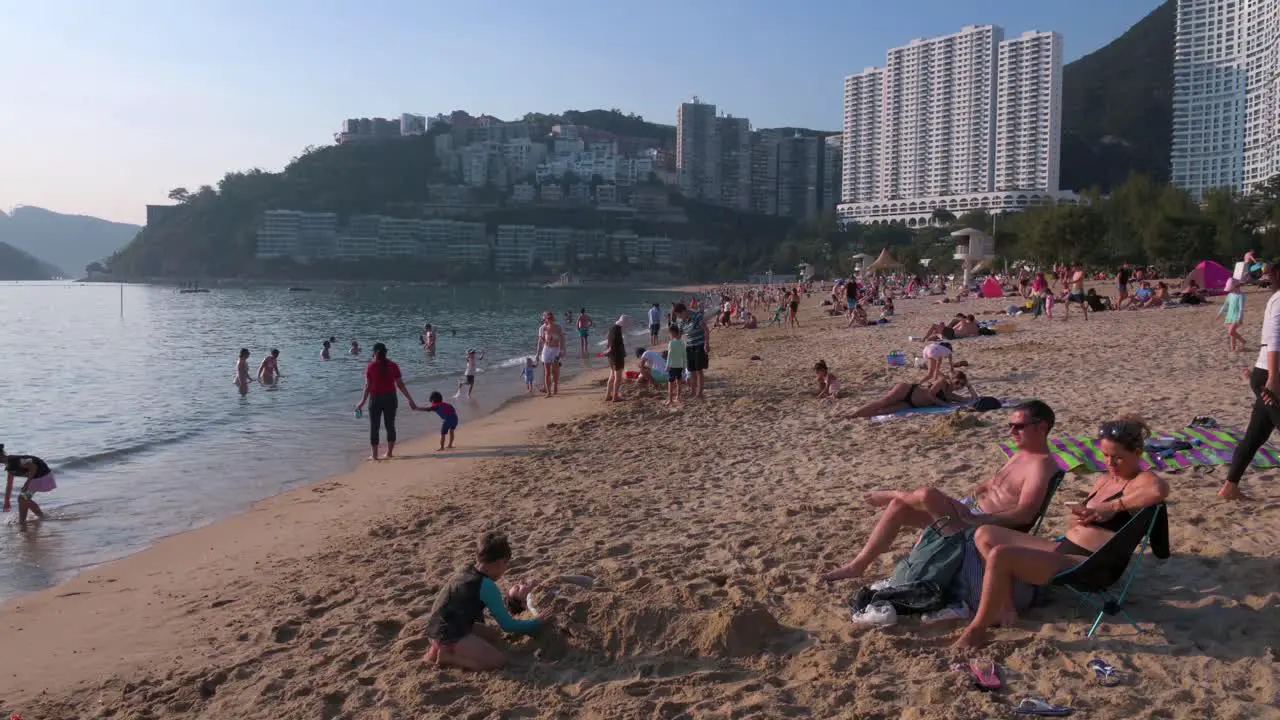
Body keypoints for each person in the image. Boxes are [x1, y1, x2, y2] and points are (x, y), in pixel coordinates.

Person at [953, 416, 1169, 648]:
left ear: (1137, 453)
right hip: (1065, 546)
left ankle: (978, 628)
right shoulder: (1106, 479)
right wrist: (1079, 517)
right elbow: (1087, 519)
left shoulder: (1141, 480)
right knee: (985, 533)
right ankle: (1005, 603)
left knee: (1000, 555)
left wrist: (1113, 506)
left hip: (1089, 564)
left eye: (1118, 457)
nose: (1110, 463)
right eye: (1105, 455)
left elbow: (1160, 490)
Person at [822, 400, 1060, 583]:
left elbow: (1024, 515)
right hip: (970, 514)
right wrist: (972, 497)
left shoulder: (1040, 465)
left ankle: (892, 492)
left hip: (983, 529)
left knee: (926, 493)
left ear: (1041, 427)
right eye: (1010, 426)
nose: (1011, 432)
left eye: (1018, 426)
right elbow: (994, 486)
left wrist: (978, 517)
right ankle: (858, 566)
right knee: (900, 508)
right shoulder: (1020, 454)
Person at [424, 531, 548, 670]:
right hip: (451, 634)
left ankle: (435, 651)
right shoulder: (486, 585)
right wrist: (536, 623)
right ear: (501, 562)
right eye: (506, 564)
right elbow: (507, 625)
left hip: (435, 628)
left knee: (493, 635)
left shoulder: (465, 570)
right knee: (498, 662)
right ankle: (449, 657)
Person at [1223, 261, 1280, 499]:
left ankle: (1230, 487)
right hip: (1272, 375)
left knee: (1255, 435)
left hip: (1265, 373)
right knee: (1256, 434)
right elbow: (1273, 342)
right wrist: (1273, 379)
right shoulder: (1278, 301)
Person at [355, 343, 418, 461]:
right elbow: (400, 385)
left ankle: (374, 456)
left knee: (374, 427)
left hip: (375, 399)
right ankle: (389, 453)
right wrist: (410, 400)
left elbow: (367, 386)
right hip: (390, 399)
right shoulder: (393, 366)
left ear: (374, 353)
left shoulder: (371, 367)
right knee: (390, 425)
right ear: (386, 352)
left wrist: (362, 402)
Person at [843, 372, 976, 419]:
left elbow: (972, 400)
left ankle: (858, 416)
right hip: (908, 390)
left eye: (962, 385)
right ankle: (852, 415)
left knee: (883, 411)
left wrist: (969, 386)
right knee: (883, 401)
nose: (958, 386)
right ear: (951, 379)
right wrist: (943, 404)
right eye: (957, 382)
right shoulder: (941, 383)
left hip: (910, 404)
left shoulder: (950, 395)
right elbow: (930, 394)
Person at [1, 445, 56, 527]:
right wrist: (7, 501)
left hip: (42, 475)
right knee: (23, 499)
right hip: (36, 477)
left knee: (22, 498)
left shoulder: (15, 461)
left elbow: (33, 466)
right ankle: (22, 521)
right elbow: (9, 484)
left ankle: (41, 516)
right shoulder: (9, 466)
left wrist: (27, 483)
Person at [673, 302, 710, 399]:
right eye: (678, 316)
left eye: (680, 315)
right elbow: (680, 335)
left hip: (699, 345)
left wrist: (706, 344)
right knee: (691, 370)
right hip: (689, 346)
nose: (679, 317)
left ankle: (699, 393)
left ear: (685, 311)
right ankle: (693, 391)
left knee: (699, 370)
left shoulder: (697, 316)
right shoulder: (680, 321)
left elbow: (706, 330)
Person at [535, 312, 566, 397]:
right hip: (546, 350)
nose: (549, 320)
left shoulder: (558, 327)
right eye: (548, 318)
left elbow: (562, 339)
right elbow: (541, 341)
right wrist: (538, 353)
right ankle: (548, 392)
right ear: (546, 319)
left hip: (556, 350)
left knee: (554, 371)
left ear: (553, 319)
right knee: (547, 372)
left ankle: (555, 385)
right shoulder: (543, 328)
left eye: (551, 318)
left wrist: (562, 350)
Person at [1219, 277, 1246, 352]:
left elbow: (1241, 308)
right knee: (1232, 333)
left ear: (1236, 287)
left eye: (1231, 289)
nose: (1230, 290)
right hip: (1230, 316)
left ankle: (1243, 341)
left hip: (1237, 316)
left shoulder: (1241, 295)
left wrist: (1240, 318)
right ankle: (1233, 348)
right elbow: (1225, 305)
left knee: (1231, 331)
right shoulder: (1230, 295)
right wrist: (1220, 313)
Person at [603, 324, 626, 402]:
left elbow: (609, 347)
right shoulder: (617, 332)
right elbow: (613, 346)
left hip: (611, 358)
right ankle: (615, 397)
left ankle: (608, 395)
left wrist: (606, 352)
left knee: (612, 377)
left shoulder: (611, 331)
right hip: (617, 357)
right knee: (617, 378)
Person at [665, 325, 687, 406]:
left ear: (672, 333)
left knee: (670, 382)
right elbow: (684, 355)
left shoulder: (671, 343)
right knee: (678, 381)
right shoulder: (682, 343)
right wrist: (684, 367)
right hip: (680, 365)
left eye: (670, 334)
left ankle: (670, 399)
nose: (669, 335)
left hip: (672, 365)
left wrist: (667, 366)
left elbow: (669, 355)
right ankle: (678, 397)